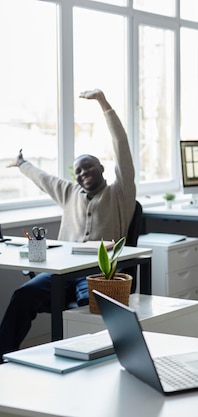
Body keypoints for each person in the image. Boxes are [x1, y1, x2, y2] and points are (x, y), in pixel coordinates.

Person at [0, 89, 136, 356]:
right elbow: (44, 179)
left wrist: (103, 103)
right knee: (23, 296)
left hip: (96, 274)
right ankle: (3, 355)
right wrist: (22, 164)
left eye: (89, 167)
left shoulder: (120, 194)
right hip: (61, 274)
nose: (83, 172)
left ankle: (93, 357)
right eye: (78, 170)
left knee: (87, 308)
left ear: (102, 168)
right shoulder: (69, 193)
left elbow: (121, 146)